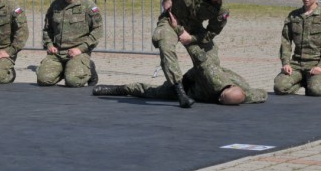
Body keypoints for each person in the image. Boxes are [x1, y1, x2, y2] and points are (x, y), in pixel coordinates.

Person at [153, 0, 231, 108]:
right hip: (171, 20)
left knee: (209, 60)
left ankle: (197, 83)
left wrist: (192, 39)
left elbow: (212, 32)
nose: (219, 2)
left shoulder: (221, 9)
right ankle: (180, 92)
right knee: (166, 45)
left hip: (194, 30)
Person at [93, 61, 267, 105]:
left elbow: (262, 94)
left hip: (196, 93)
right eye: (221, 97)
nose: (219, 101)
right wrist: (181, 85)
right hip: (189, 85)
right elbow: (198, 68)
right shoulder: (212, 77)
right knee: (153, 92)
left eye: (223, 102)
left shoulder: (246, 94)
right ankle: (119, 89)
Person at [36, 0, 102, 87]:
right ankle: (65, 69)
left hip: (78, 52)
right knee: (43, 79)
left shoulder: (88, 6)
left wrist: (81, 49)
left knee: (73, 81)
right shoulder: (55, 5)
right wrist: (49, 45)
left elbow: (98, 30)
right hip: (58, 52)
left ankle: (89, 68)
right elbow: (47, 29)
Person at [274, 0, 321, 96]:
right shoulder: (294, 16)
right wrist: (286, 63)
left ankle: (311, 84)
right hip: (297, 64)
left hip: (315, 64)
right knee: (280, 87)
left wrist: (320, 67)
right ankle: (302, 81)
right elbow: (286, 41)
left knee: (316, 90)